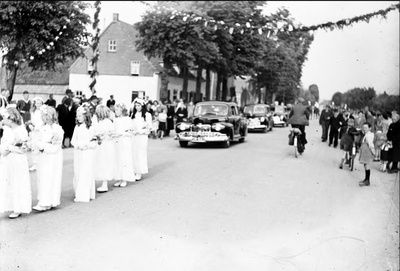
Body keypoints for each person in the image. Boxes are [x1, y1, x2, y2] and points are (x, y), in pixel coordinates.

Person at [0, 107, 31, 219]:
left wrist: (9, 147)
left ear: (11, 119)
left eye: (4, 118)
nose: (2, 120)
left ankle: (18, 208)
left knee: (18, 181)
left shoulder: (21, 130)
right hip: (7, 159)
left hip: (17, 160)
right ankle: (10, 205)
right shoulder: (7, 130)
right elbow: (3, 143)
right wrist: (4, 148)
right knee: (8, 180)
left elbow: (23, 148)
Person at [32, 105, 64, 212]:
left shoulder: (57, 129)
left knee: (50, 178)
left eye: (42, 116)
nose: (41, 118)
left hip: (52, 158)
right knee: (43, 178)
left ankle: (47, 202)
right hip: (43, 157)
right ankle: (45, 200)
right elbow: (38, 140)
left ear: (48, 116)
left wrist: (43, 146)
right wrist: (38, 145)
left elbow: (55, 146)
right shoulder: (42, 127)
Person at [71, 105, 97, 202]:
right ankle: (79, 192)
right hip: (78, 152)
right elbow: (73, 140)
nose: (78, 118)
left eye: (80, 116)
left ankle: (84, 194)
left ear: (86, 116)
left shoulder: (91, 128)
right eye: (77, 116)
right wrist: (78, 145)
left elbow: (94, 142)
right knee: (78, 171)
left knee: (85, 172)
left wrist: (86, 145)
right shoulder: (77, 127)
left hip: (87, 152)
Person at [93, 105, 116, 193]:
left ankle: (105, 183)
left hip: (106, 145)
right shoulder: (100, 122)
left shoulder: (107, 122)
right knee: (100, 162)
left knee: (105, 162)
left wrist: (103, 136)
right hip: (101, 144)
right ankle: (102, 181)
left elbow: (110, 134)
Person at [113, 103, 135, 187]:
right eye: (115, 110)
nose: (116, 111)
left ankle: (125, 178)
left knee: (124, 159)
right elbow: (114, 129)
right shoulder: (116, 120)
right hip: (117, 141)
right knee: (118, 159)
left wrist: (121, 133)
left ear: (122, 110)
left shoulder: (127, 119)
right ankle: (119, 177)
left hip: (125, 141)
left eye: (117, 110)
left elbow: (130, 131)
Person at [131, 98, 152, 181]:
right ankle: (134, 170)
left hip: (142, 137)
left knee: (140, 153)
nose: (137, 107)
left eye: (138, 105)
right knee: (134, 153)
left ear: (142, 106)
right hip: (134, 136)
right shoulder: (133, 114)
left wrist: (140, 131)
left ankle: (139, 171)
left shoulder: (147, 115)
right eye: (136, 106)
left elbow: (149, 128)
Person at [28, 97, 44, 171]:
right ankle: (35, 163)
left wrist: (36, 127)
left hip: (40, 130)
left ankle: (40, 163)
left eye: (40, 103)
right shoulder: (33, 112)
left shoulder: (42, 111)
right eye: (37, 103)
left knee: (39, 146)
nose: (39, 105)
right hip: (34, 131)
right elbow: (32, 120)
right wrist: (30, 125)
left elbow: (42, 121)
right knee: (34, 146)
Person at [358, 122, 376, 187]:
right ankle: (366, 179)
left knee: (367, 166)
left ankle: (367, 180)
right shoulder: (367, 134)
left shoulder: (368, 135)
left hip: (367, 151)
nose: (364, 129)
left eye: (366, 127)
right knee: (365, 165)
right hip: (365, 151)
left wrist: (373, 151)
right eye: (363, 127)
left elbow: (370, 144)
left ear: (369, 128)